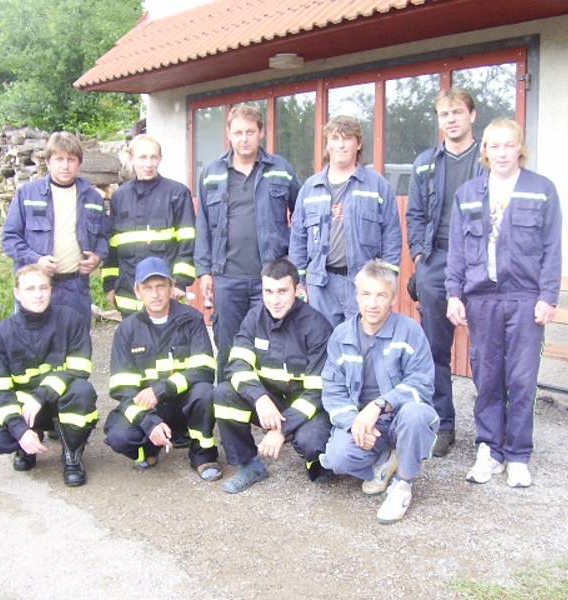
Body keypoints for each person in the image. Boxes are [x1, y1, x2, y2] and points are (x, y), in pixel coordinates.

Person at [446, 118, 562, 488]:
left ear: (519, 149)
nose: (501, 153)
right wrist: (453, 293)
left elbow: (552, 249)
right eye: (494, 146)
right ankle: (489, 449)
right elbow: (456, 250)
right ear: (485, 151)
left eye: (508, 145)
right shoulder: (467, 194)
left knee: (522, 378)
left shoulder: (541, 190)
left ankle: (518, 454)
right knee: (487, 376)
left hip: (525, 298)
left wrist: (548, 296)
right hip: (482, 298)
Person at [321, 260, 438, 524]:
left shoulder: (410, 331)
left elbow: (422, 383)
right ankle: (384, 461)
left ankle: (403, 484)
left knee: (418, 415)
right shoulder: (341, 335)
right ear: (357, 296)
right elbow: (333, 391)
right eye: (366, 294)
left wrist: (380, 405)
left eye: (381, 295)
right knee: (337, 457)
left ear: (393, 298)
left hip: (397, 419)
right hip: (364, 423)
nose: (372, 304)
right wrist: (354, 424)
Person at [405, 87, 486, 457]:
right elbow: (416, 214)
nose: (450, 120)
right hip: (437, 259)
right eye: (443, 114)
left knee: (486, 350)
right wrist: (420, 258)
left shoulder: (488, 161)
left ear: (472, 116)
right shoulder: (425, 162)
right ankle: (444, 424)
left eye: (456, 112)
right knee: (434, 350)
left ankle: (490, 433)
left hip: (482, 262)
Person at [194, 104, 300, 379]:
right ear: (228, 134)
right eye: (238, 132)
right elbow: (203, 224)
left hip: (270, 279)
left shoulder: (281, 170)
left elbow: (301, 218)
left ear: (261, 133)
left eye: (250, 132)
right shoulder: (212, 173)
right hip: (227, 278)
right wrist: (204, 272)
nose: (244, 138)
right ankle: (229, 406)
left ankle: (265, 407)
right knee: (228, 345)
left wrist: (294, 265)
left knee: (269, 345)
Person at [213, 257, 334, 493]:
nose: (275, 300)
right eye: (268, 291)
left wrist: (281, 430)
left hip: (306, 407)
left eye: (282, 291)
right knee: (224, 393)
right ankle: (249, 466)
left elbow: (318, 392)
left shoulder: (317, 327)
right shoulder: (254, 318)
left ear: (297, 290)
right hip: (270, 402)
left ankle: (312, 457)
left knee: (313, 442)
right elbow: (237, 364)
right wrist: (259, 398)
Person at [0, 264, 98, 487]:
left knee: (82, 392)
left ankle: (72, 454)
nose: (38, 294)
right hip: (24, 410)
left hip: (57, 402)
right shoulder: (2, 333)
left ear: (51, 290)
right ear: (17, 293)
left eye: (43, 287)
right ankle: (27, 445)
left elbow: (79, 368)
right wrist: (20, 430)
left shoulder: (71, 319)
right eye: (30, 288)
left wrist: (40, 395)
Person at [103, 256, 220, 481]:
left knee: (205, 392)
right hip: (149, 409)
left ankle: (203, 455)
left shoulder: (191, 319)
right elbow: (123, 391)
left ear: (171, 287)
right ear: (138, 292)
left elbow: (204, 369)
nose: (155, 294)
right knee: (119, 436)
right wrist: (149, 422)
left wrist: (160, 390)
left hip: (183, 403)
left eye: (160, 286)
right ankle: (149, 449)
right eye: (148, 288)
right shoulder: (127, 330)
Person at [289, 115, 401, 327]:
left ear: (358, 144)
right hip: (320, 285)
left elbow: (392, 235)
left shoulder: (377, 185)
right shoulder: (310, 189)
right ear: (327, 144)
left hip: (362, 284)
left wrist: (387, 282)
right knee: (321, 346)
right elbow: (297, 239)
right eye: (335, 138)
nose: (341, 145)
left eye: (347, 138)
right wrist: (299, 282)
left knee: (363, 346)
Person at [2, 131, 110, 328]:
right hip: (38, 286)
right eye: (59, 159)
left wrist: (97, 257)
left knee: (76, 349)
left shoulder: (92, 198)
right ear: (48, 162)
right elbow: (10, 238)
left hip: (76, 287)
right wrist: (36, 260)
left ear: (79, 163)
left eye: (71, 159)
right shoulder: (28, 194)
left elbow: (104, 236)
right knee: (32, 347)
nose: (65, 165)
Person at [102, 134, 196, 316]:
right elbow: (112, 244)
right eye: (143, 157)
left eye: (153, 157)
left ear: (160, 158)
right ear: (132, 159)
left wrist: (181, 281)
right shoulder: (119, 197)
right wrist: (109, 284)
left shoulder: (177, 193)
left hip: (165, 293)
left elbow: (187, 241)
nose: (149, 163)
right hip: (128, 294)